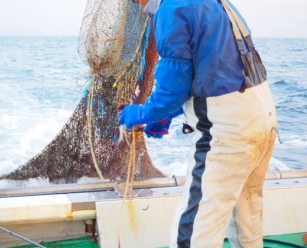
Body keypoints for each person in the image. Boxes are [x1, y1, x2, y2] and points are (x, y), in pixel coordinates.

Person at [119, 0, 278, 247]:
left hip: (228, 131)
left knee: (194, 230)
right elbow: (214, 66)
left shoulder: (172, 9)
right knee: (247, 213)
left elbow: (173, 89)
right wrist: (165, 115)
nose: (138, 5)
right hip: (262, 116)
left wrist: (139, 114)